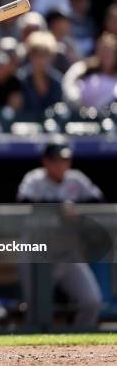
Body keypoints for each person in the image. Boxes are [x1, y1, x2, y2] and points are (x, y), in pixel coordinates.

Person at [17, 139, 104, 327]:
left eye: (64, 159)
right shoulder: (35, 179)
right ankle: (33, 353)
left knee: (92, 302)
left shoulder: (76, 179)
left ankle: (76, 345)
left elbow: (97, 200)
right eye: (55, 159)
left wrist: (76, 209)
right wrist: (58, 207)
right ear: (46, 161)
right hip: (36, 255)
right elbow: (24, 202)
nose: (60, 164)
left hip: (67, 255)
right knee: (35, 309)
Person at [62, 32, 116, 110]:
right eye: (103, 51)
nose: (106, 55)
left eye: (110, 52)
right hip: (83, 114)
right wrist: (76, 100)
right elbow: (69, 84)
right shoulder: (83, 68)